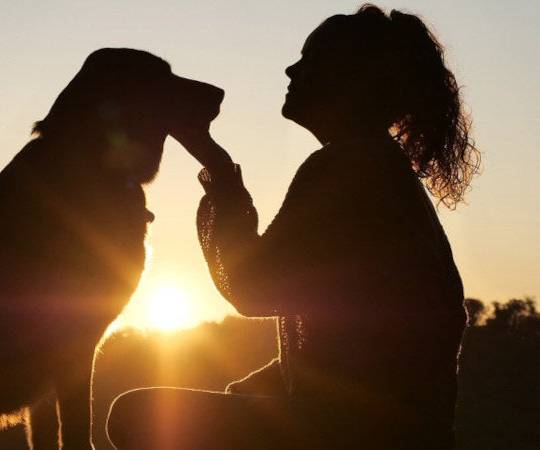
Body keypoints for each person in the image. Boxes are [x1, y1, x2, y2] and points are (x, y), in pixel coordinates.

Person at [107, 4, 480, 450]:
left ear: (352, 79)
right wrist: (249, 393)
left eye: (311, 59)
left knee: (137, 414)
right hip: (400, 431)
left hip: (362, 434)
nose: (291, 68)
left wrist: (219, 170)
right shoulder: (377, 167)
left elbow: (251, 287)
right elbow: (358, 339)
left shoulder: (348, 166)